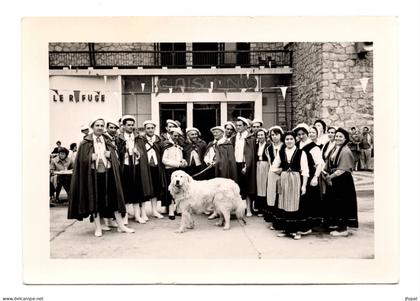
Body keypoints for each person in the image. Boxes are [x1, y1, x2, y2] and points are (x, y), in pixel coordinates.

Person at [68, 118, 135, 237]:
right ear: (92, 127)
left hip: (108, 173)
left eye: (102, 125)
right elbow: (80, 162)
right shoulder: (85, 143)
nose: (100, 127)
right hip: (94, 175)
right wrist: (89, 159)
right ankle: (98, 227)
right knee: (96, 201)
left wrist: (111, 156)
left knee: (114, 199)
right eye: (97, 125)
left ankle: (121, 226)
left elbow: (116, 159)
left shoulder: (108, 140)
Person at [272, 131, 309, 240]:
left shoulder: (301, 152)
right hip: (284, 179)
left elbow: (305, 170)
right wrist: (280, 171)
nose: (289, 141)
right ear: (284, 141)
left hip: (296, 179)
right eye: (287, 139)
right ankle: (285, 229)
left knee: (294, 204)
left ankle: (295, 231)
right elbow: (274, 166)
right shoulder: (281, 152)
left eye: (291, 139)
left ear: (295, 140)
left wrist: (304, 186)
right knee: (283, 203)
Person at [323, 127, 358, 236]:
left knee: (343, 203)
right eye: (336, 136)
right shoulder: (335, 148)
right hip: (335, 179)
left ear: (345, 138)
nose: (337, 138)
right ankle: (337, 224)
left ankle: (343, 229)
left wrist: (330, 177)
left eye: (340, 136)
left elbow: (342, 169)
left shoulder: (345, 150)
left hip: (343, 181)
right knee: (336, 203)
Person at [118, 115, 153, 225]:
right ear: (123, 126)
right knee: (126, 192)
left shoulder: (138, 138)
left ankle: (138, 215)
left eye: (132, 125)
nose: (131, 127)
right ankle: (125, 217)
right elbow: (118, 152)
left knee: (137, 191)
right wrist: (125, 151)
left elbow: (142, 151)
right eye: (128, 125)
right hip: (125, 167)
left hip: (137, 166)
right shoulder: (120, 138)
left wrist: (138, 152)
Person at [294, 123, 325, 233]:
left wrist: (315, 177)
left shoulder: (313, 147)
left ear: (307, 134)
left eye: (303, 134)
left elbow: (320, 164)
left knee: (309, 200)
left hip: (310, 175)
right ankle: (300, 223)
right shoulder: (296, 144)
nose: (301, 136)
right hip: (299, 175)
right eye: (299, 134)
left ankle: (308, 226)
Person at [203, 126, 238, 220]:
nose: (215, 134)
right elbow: (207, 155)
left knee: (222, 193)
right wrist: (208, 161)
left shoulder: (227, 144)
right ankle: (215, 211)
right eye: (214, 133)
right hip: (212, 170)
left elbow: (229, 160)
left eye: (217, 132)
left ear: (222, 133)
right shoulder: (211, 144)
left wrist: (218, 163)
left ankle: (225, 211)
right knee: (213, 192)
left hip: (223, 171)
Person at [141, 120, 167, 219]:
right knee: (144, 188)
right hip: (145, 167)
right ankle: (143, 213)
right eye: (148, 128)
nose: (150, 130)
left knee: (156, 188)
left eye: (152, 128)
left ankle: (154, 210)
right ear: (145, 129)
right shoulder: (141, 139)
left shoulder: (158, 139)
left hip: (156, 166)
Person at [231, 117, 257, 217]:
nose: (237, 127)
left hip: (245, 164)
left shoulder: (250, 138)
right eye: (237, 125)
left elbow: (250, 153)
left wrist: (247, 165)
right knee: (237, 187)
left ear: (245, 126)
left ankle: (249, 209)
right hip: (236, 164)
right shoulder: (235, 137)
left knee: (247, 187)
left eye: (240, 125)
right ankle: (238, 209)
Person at [162, 127, 188, 219]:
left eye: (178, 136)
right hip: (169, 170)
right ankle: (171, 211)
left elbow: (180, 157)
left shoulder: (178, 145)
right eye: (174, 135)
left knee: (179, 190)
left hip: (178, 170)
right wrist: (178, 164)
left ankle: (178, 209)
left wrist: (183, 161)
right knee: (171, 191)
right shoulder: (166, 145)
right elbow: (164, 160)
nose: (176, 137)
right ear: (170, 134)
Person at [263, 126, 284, 224]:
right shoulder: (268, 148)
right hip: (272, 173)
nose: (274, 137)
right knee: (272, 194)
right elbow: (270, 162)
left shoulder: (284, 146)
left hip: (282, 173)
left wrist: (281, 169)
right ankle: (273, 219)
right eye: (272, 135)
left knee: (280, 194)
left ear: (280, 135)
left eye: (276, 134)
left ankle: (280, 218)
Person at [254, 128, 270, 216]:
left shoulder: (268, 145)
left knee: (264, 186)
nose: (260, 137)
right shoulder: (256, 145)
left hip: (265, 165)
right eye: (258, 135)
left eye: (262, 135)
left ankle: (265, 209)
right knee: (259, 187)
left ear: (265, 136)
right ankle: (259, 207)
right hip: (258, 165)